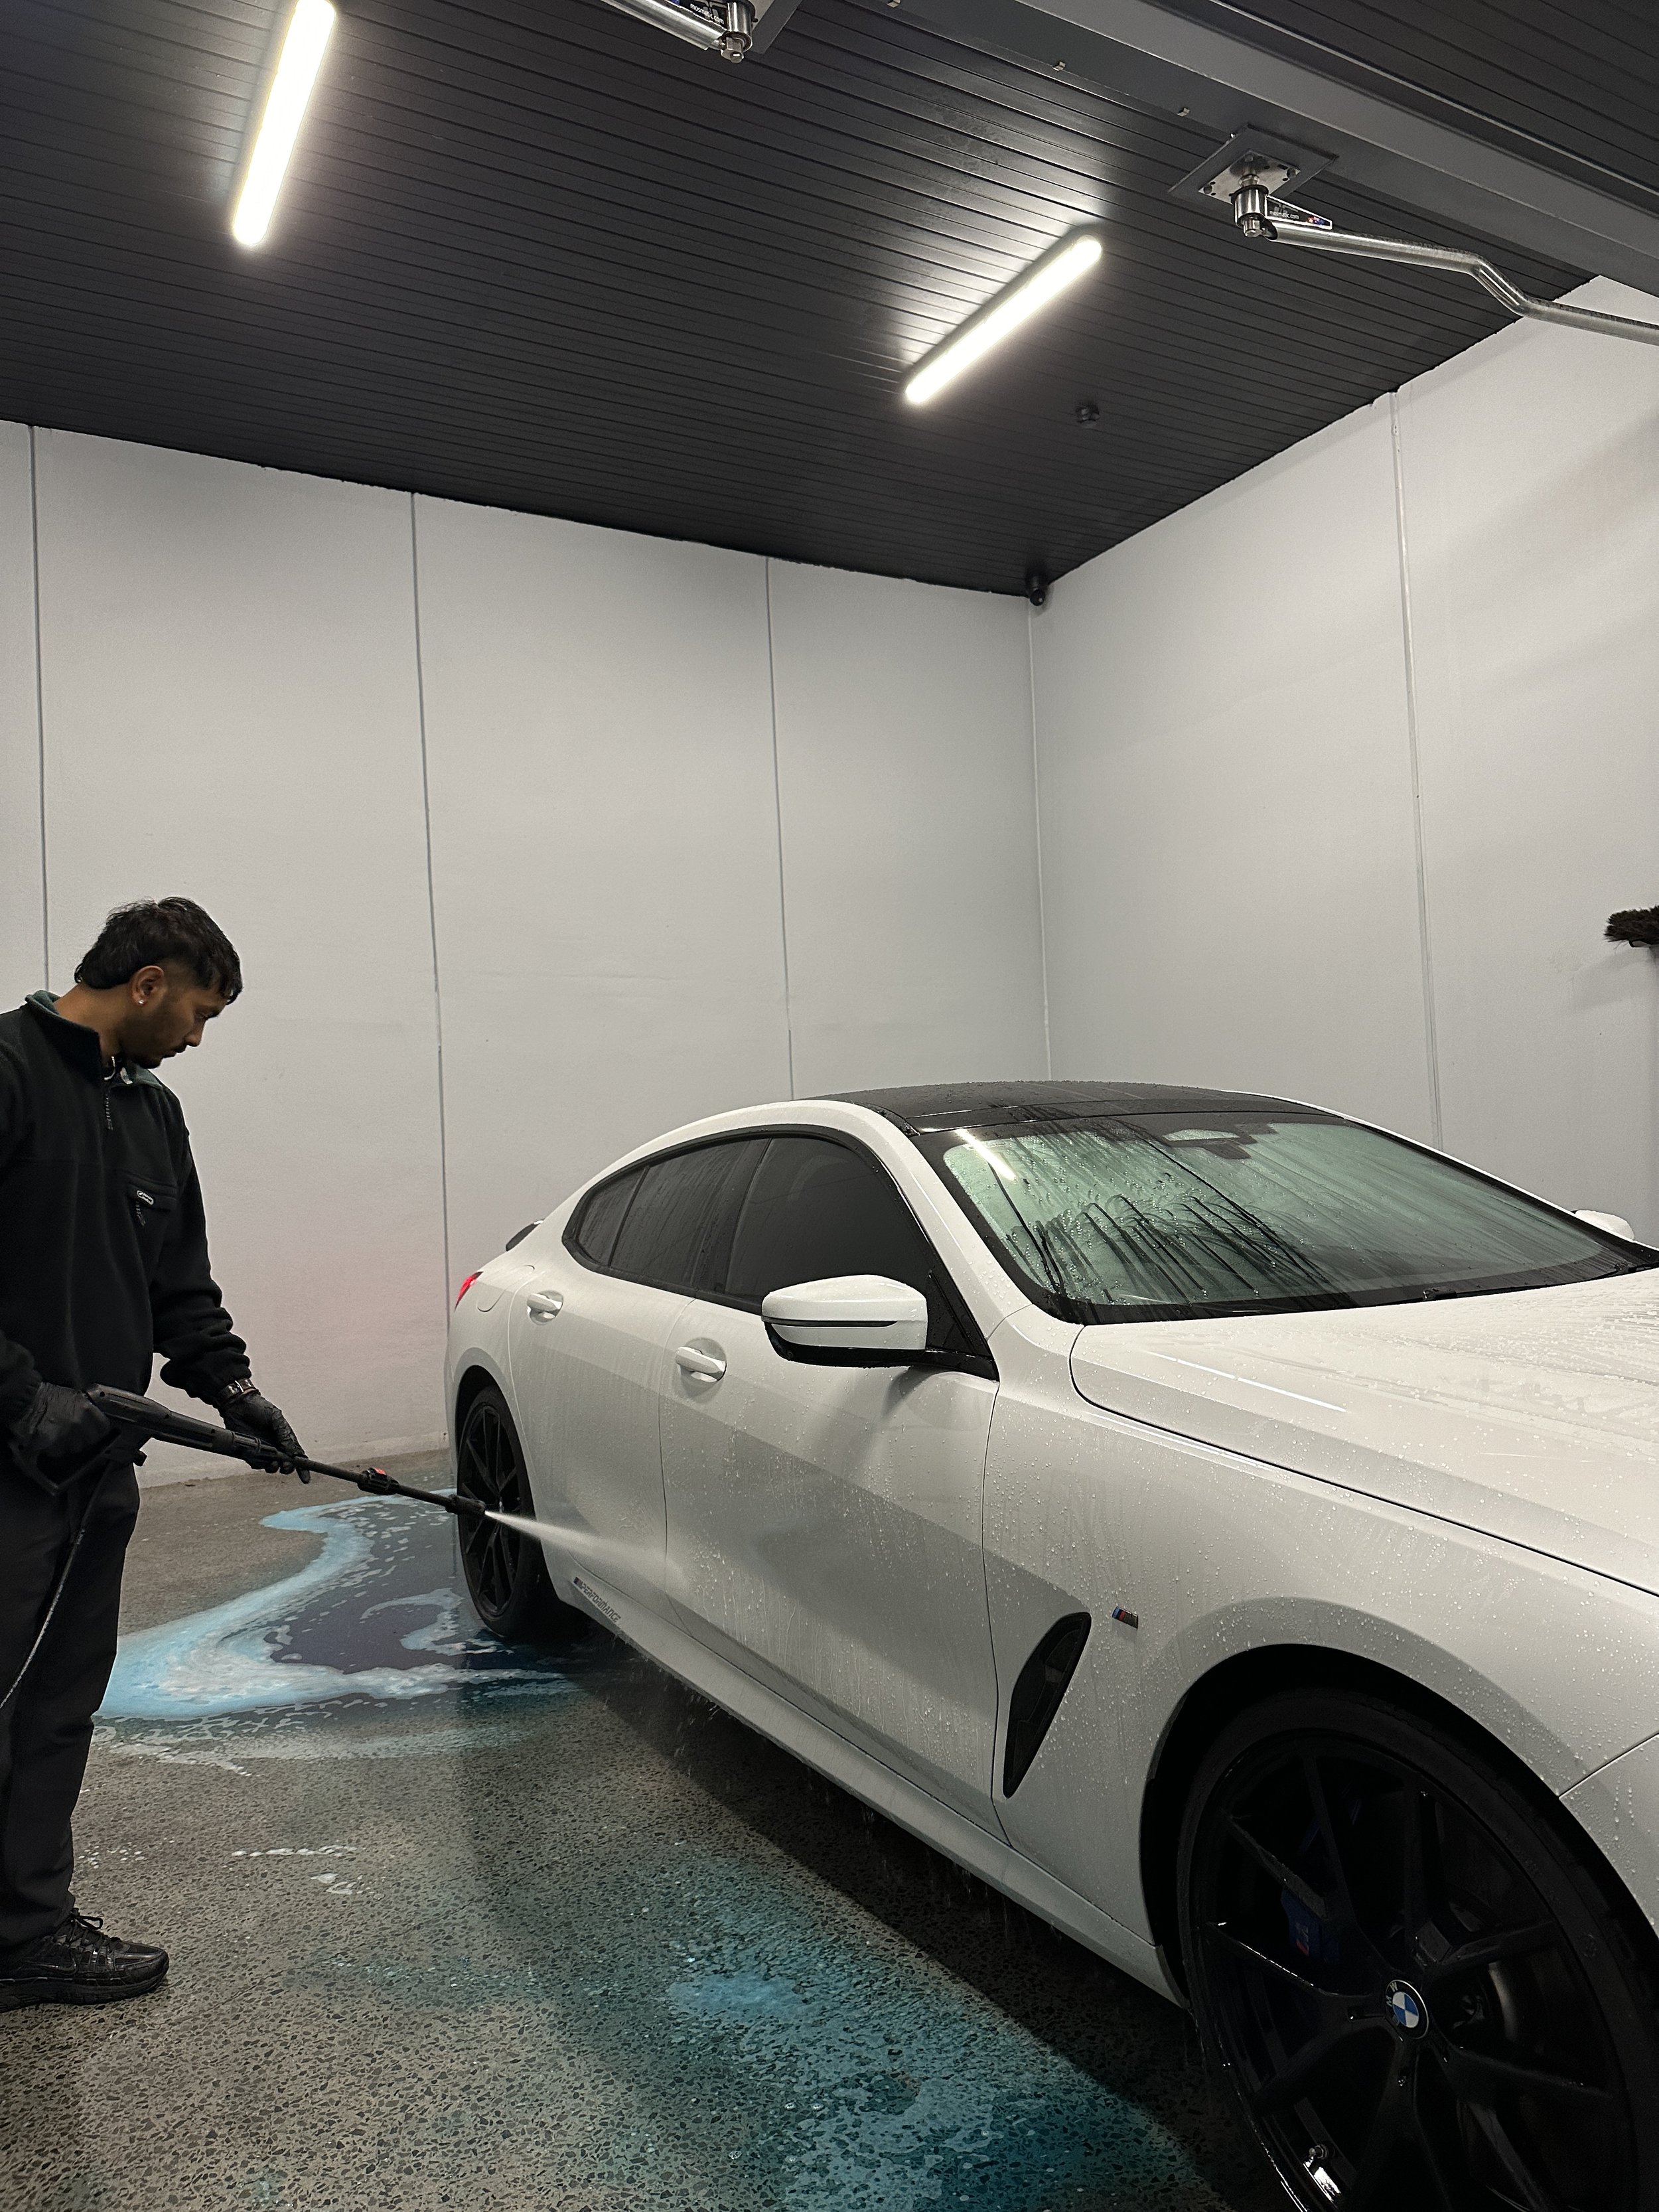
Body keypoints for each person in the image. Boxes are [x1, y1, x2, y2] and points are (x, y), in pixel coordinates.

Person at [0, 897, 303, 2012]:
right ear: (148, 981)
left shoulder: (153, 1117)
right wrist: (24, 1404)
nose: (197, 1037)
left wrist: (234, 1389)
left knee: (59, 1706)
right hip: (10, 1466)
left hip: (98, 1470)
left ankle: (25, 1932)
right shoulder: (8, 1070)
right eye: (199, 1011)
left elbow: (180, 1283)